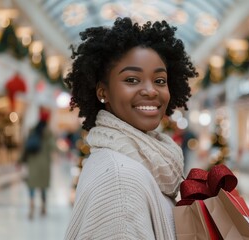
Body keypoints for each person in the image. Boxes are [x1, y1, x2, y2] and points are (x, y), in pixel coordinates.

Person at [64, 17, 198, 239]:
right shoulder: (121, 182)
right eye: (132, 79)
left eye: (160, 80)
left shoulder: (136, 160)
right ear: (102, 92)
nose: (151, 90)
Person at [20, 108, 55, 219]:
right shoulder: (49, 133)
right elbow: (53, 147)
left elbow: (26, 147)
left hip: (33, 162)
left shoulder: (32, 130)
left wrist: (20, 160)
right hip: (44, 164)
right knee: (43, 186)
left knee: (32, 185)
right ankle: (43, 207)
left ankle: (31, 205)